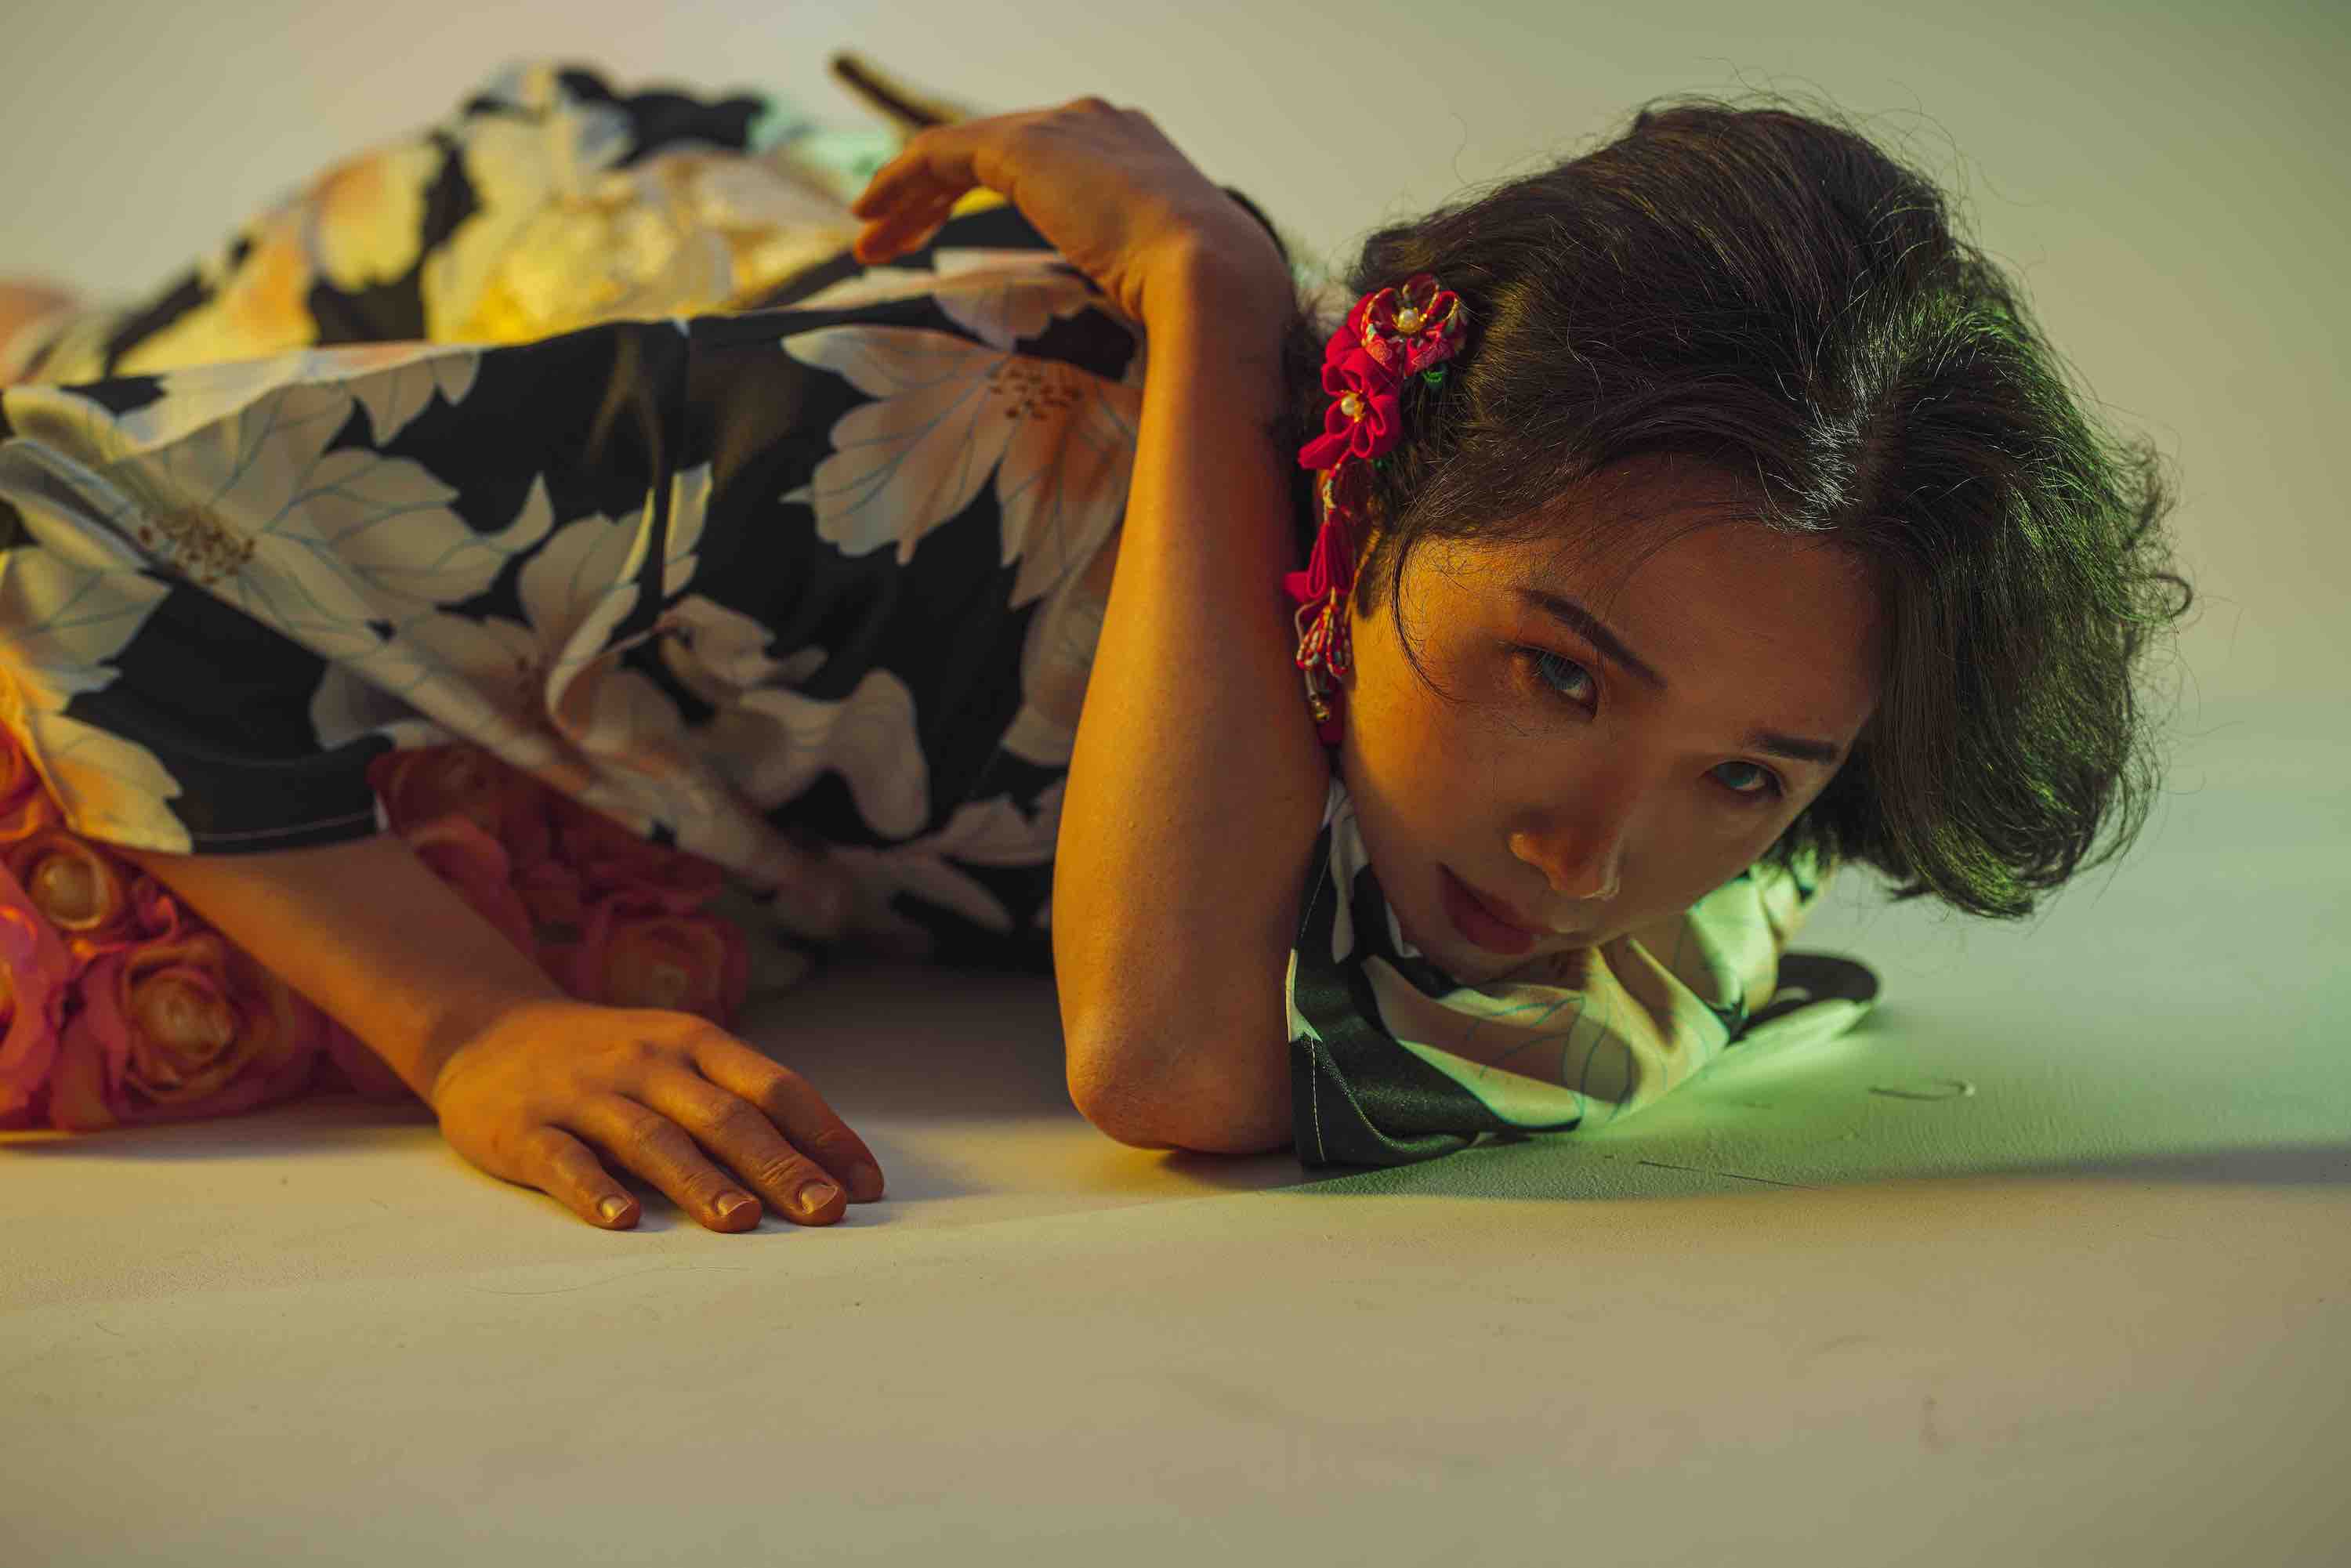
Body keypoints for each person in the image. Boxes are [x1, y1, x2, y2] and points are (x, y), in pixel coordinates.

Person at [0, 59, 2192, 1230]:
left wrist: (1212, 283)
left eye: (1749, 773)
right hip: (579, 270)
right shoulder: (913, 452)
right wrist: (475, 1024)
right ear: (1373, 472)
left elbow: (1181, 1064)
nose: (1593, 857)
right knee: (72, 366)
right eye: (1559, 671)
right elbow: (67, 501)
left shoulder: (1752, 804)